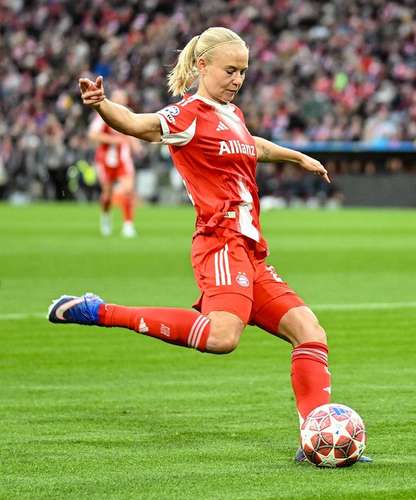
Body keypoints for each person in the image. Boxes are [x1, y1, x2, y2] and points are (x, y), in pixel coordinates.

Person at [49, 27, 368, 463]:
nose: (238, 79)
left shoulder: (231, 113)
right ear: (202, 66)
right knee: (222, 337)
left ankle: (313, 442)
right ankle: (99, 311)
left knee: (310, 333)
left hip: (251, 251)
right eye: (230, 70)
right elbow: (139, 125)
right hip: (219, 243)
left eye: (244, 71)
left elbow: (250, 145)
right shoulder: (187, 115)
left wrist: (296, 157)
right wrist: (102, 105)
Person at [88, 89, 139, 237]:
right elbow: (92, 135)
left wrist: (136, 145)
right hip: (105, 160)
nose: (120, 101)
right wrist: (114, 140)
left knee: (128, 190)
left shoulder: (128, 114)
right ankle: (105, 216)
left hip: (123, 159)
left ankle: (128, 225)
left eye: (122, 98)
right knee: (107, 196)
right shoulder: (104, 114)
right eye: (117, 98)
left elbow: (134, 131)